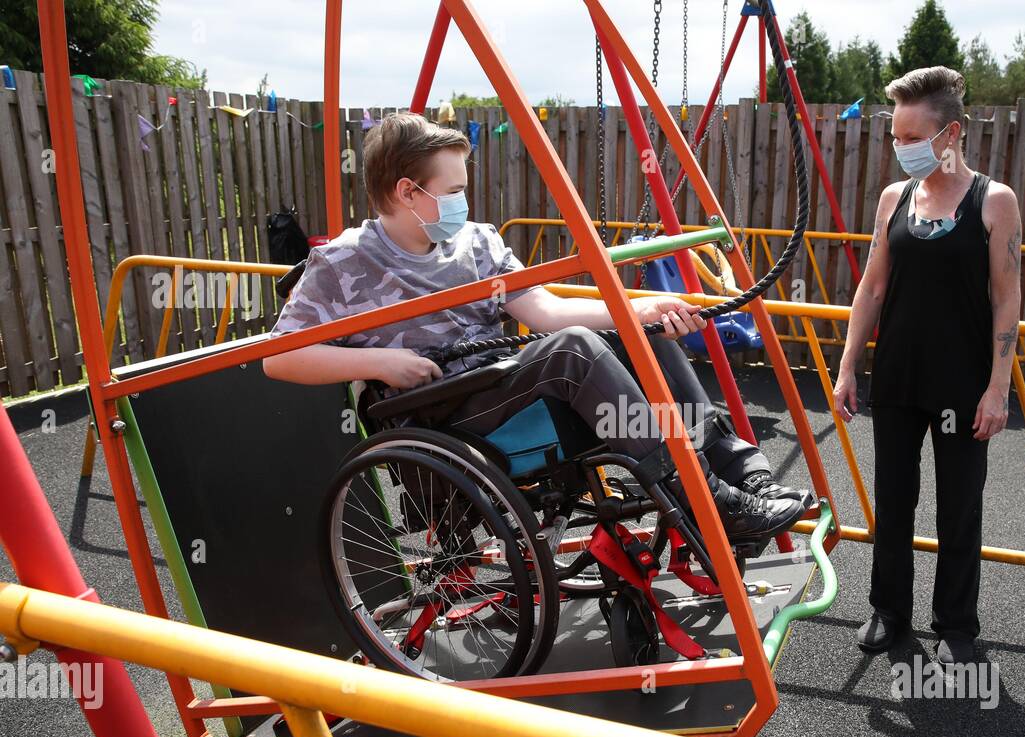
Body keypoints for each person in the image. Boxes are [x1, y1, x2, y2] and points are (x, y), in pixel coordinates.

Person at [264, 111, 812, 541]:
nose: (464, 202)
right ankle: (702, 497)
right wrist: (376, 362)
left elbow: (543, 310)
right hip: (437, 408)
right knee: (572, 350)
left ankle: (738, 472)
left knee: (635, 335)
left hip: (496, 383)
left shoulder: (476, 242)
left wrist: (637, 310)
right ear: (408, 192)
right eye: (452, 191)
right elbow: (279, 356)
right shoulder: (342, 262)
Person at [832, 66, 1023, 666]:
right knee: (893, 502)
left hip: (962, 385)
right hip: (898, 380)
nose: (902, 148)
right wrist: (845, 369)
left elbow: (1007, 296)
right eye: (896, 136)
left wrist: (997, 389)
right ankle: (889, 612)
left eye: (913, 137)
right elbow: (872, 287)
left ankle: (956, 626)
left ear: (952, 134)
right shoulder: (895, 199)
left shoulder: (994, 201)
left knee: (959, 507)